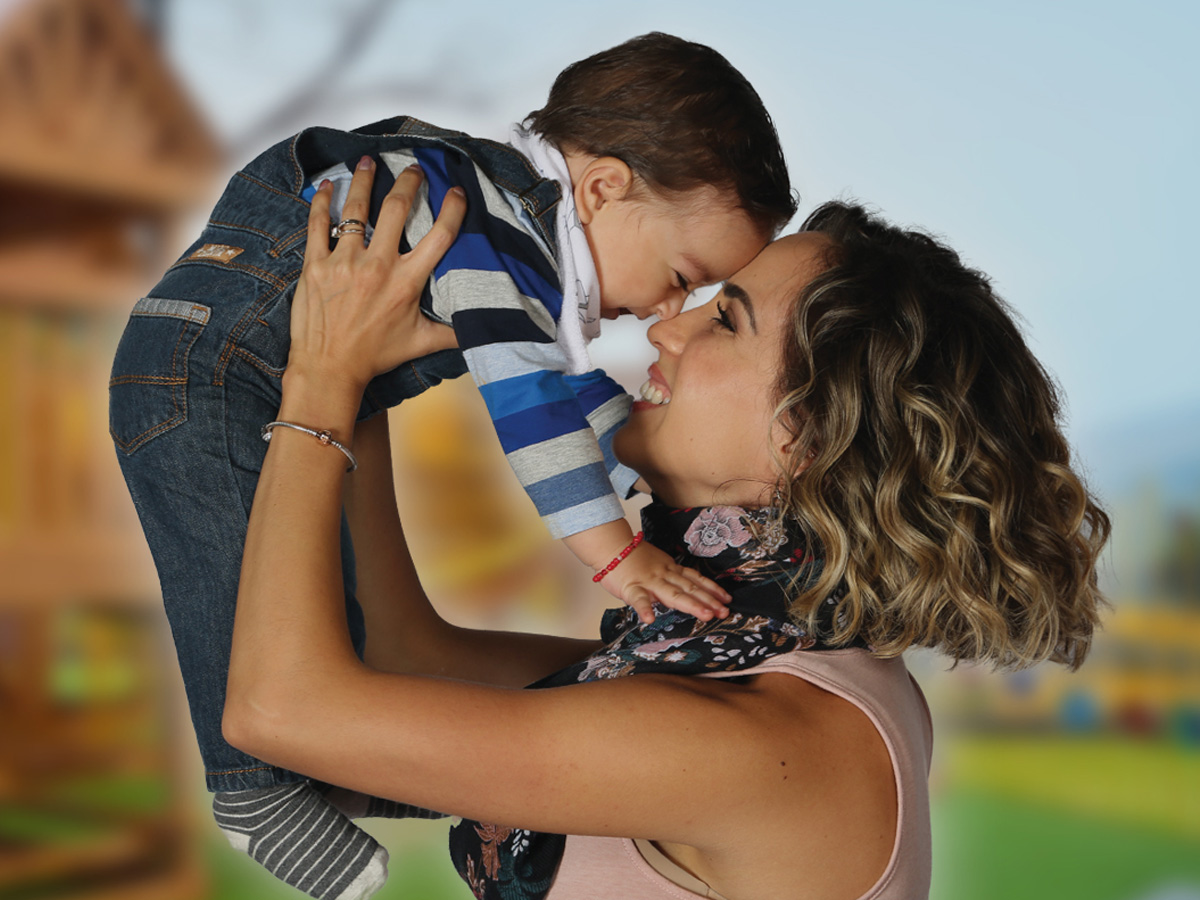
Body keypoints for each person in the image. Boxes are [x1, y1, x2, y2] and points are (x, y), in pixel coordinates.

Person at [222, 164, 1111, 900]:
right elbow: (401, 655)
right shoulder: (738, 655)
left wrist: (319, 383)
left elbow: (280, 710)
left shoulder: (769, 736)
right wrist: (368, 364)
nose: (667, 324)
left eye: (724, 319)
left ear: (808, 435)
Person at [108, 33, 796, 898]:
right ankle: (250, 787)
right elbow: (530, 409)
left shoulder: (507, 228)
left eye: (708, 309)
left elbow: (572, 397)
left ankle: (342, 766)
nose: (664, 313)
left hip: (246, 371)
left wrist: (643, 490)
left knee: (314, 606)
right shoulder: (493, 237)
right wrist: (617, 556)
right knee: (234, 590)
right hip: (206, 373)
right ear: (604, 187)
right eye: (681, 277)